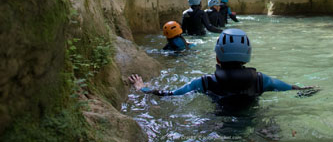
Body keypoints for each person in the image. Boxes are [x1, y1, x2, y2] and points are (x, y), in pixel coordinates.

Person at [128, 29, 316, 109]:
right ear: (247, 55)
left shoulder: (204, 82)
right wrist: (307, 89)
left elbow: (169, 94)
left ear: (218, 55)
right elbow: (291, 88)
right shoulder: (261, 80)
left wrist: (141, 87)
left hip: (219, 125)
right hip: (252, 121)